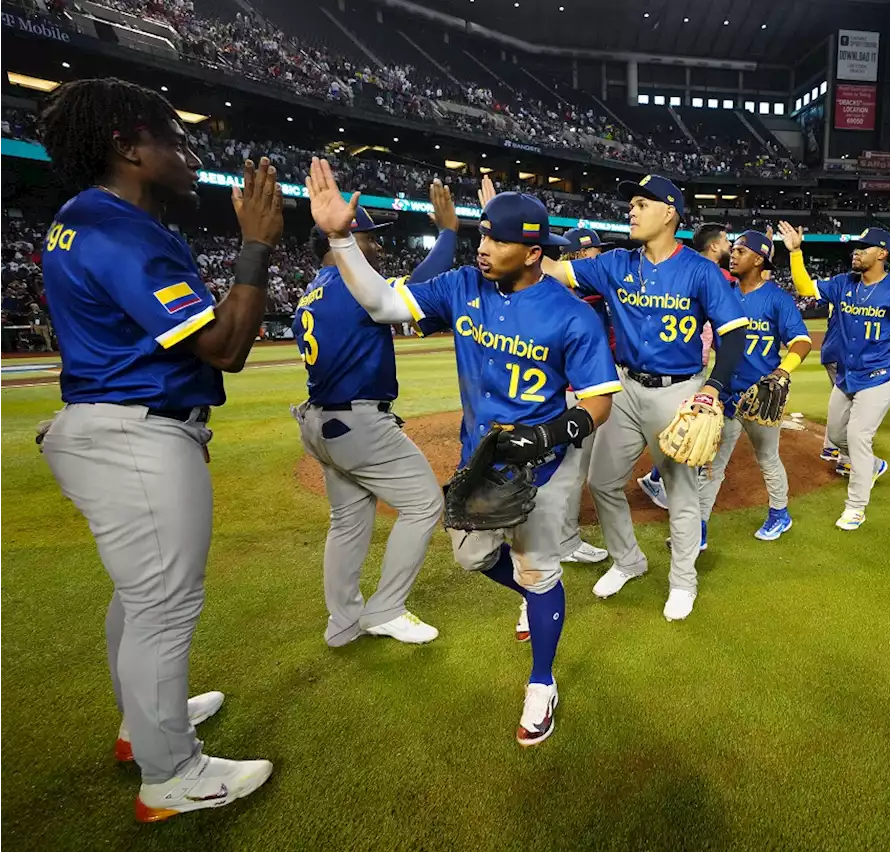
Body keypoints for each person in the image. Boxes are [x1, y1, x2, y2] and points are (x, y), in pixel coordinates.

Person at [308, 158, 620, 746]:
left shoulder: (570, 314)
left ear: (531, 252)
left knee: (539, 567)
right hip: (480, 458)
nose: (484, 247)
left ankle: (542, 684)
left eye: (498, 240)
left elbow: (599, 402)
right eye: (482, 234)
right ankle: (531, 596)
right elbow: (380, 305)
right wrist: (341, 239)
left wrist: (551, 434)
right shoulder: (462, 286)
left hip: (546, 464)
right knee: (472, 557)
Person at [36, 78, 280, 821]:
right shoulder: (115, 229)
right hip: (133, 431)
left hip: (114, 424)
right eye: (171, 137)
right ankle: (170, 774)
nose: (188, 149)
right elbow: (226, 347)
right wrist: (255, 247)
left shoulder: (87, 219)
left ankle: (140, 728)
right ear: (127, 146)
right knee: (164, 606)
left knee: (138, 597)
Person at [540, 175, 748, 621]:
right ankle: (628, 560)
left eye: (641, 203)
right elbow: (554, 270)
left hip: (679, 392)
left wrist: (713, 388)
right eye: (631, 204)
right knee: (602, 482)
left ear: (669, 212)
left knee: (682, 494)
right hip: (625, 387)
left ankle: (683, 582)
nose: (631, 211)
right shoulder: (615, 262)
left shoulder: (699, 270)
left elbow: (735, 334)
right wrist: (519, 230)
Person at [291, 184, 459, 649]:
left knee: (346, 521)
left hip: (320, 422)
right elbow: (421, 286)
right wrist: (447, 234)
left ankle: (342, 624)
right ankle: (386, 608)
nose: (379, 244)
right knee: (424, 504)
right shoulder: (350, 285)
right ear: (339, 238)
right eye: (369, 236)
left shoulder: (311, 291)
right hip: (358, 424)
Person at [784, 226, 890, 529]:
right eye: (856, 247)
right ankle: (874, 466)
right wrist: (796, 252)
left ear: (882, 254)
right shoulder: (842, 284)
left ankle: (856, 507)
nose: (857, 252)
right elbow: (805, 288)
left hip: (879, 376)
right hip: (848, 377)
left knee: (858, 436)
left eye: (865, 247)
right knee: (837, 437)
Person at [697, 230, 812, 540]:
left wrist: (782, 371)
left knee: (767, 458)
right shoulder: (724, 291)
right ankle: (699, 527)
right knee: (711, 464)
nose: (732, 255)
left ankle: (779, 513)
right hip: (724, 393)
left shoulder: (777, 298)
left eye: (740, 251)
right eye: (732, 250)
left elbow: (801, 341)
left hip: (760, 395)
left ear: (759, 259)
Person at [636, 221, 731, 511]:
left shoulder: (685, 268)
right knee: (684, 431)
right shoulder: (710, 273)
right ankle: (664, 481)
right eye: (727, 241)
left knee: (676, 428)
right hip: (681, 365)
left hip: (681, 360)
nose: (729, 246)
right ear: (714, 245)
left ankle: (656, 478)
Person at [551, 226, 612, 571]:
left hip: (570, 391)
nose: (598, 257)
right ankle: (564, 542)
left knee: (567, 468)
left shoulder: (559, 290)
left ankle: (558, 537)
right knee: (572, 470)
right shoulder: (575, 294)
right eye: (593, 253)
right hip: (577, 395)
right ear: (575, 257)